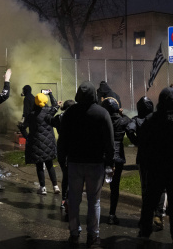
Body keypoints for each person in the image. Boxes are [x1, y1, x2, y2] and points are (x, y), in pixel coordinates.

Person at [58, 81, 114, 248]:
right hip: (96, 163)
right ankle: (93, 235)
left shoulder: (70, 113)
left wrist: (62, 160)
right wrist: (110, 163)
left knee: (73, 199)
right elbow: (110, 142)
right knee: (94, 201)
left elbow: (62, 140)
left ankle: (74, 234)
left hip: (75, 162)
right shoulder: (102, 113)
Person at [139, 87, 173, 248]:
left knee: (150, 201)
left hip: (157, 167)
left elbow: (144, 141)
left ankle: (145, 232)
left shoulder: (152, 119)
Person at [126, 96, 167, 230]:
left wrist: (137, 142)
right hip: (159, 156)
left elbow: (129, 129)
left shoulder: (137, 120)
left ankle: (147, 217)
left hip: (143, 157)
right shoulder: (157, 118)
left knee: (146, 186)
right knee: (160, 186)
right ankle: (158, 213)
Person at [20, 91, 60, 195]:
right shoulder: (49, 111)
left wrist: (27, 137)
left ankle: (43, 188)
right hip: (49, 142)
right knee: (50, 164)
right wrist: (50, 94)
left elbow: (22, 127)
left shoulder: (31, 115)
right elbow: (56, 105)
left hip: (36, 144)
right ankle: (55, 186)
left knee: (39, 165)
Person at [101, 97, 132, 225]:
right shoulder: (123, 121)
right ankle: (112, 214)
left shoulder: (102, 121)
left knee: (97, 185)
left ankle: (94, 212)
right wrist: (121, 114)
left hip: (103, 156)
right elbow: (129, 120)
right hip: (117, 156)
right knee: (115, 187)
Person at [46, 99, 75, 209]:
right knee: (74, 175)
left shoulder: (59, 118)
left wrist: (55, 108)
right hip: (74, 148)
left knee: (66, 175)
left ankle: (64, 199)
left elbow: (47, 118)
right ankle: (71, 198)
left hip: (62, 147)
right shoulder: (78, 117)